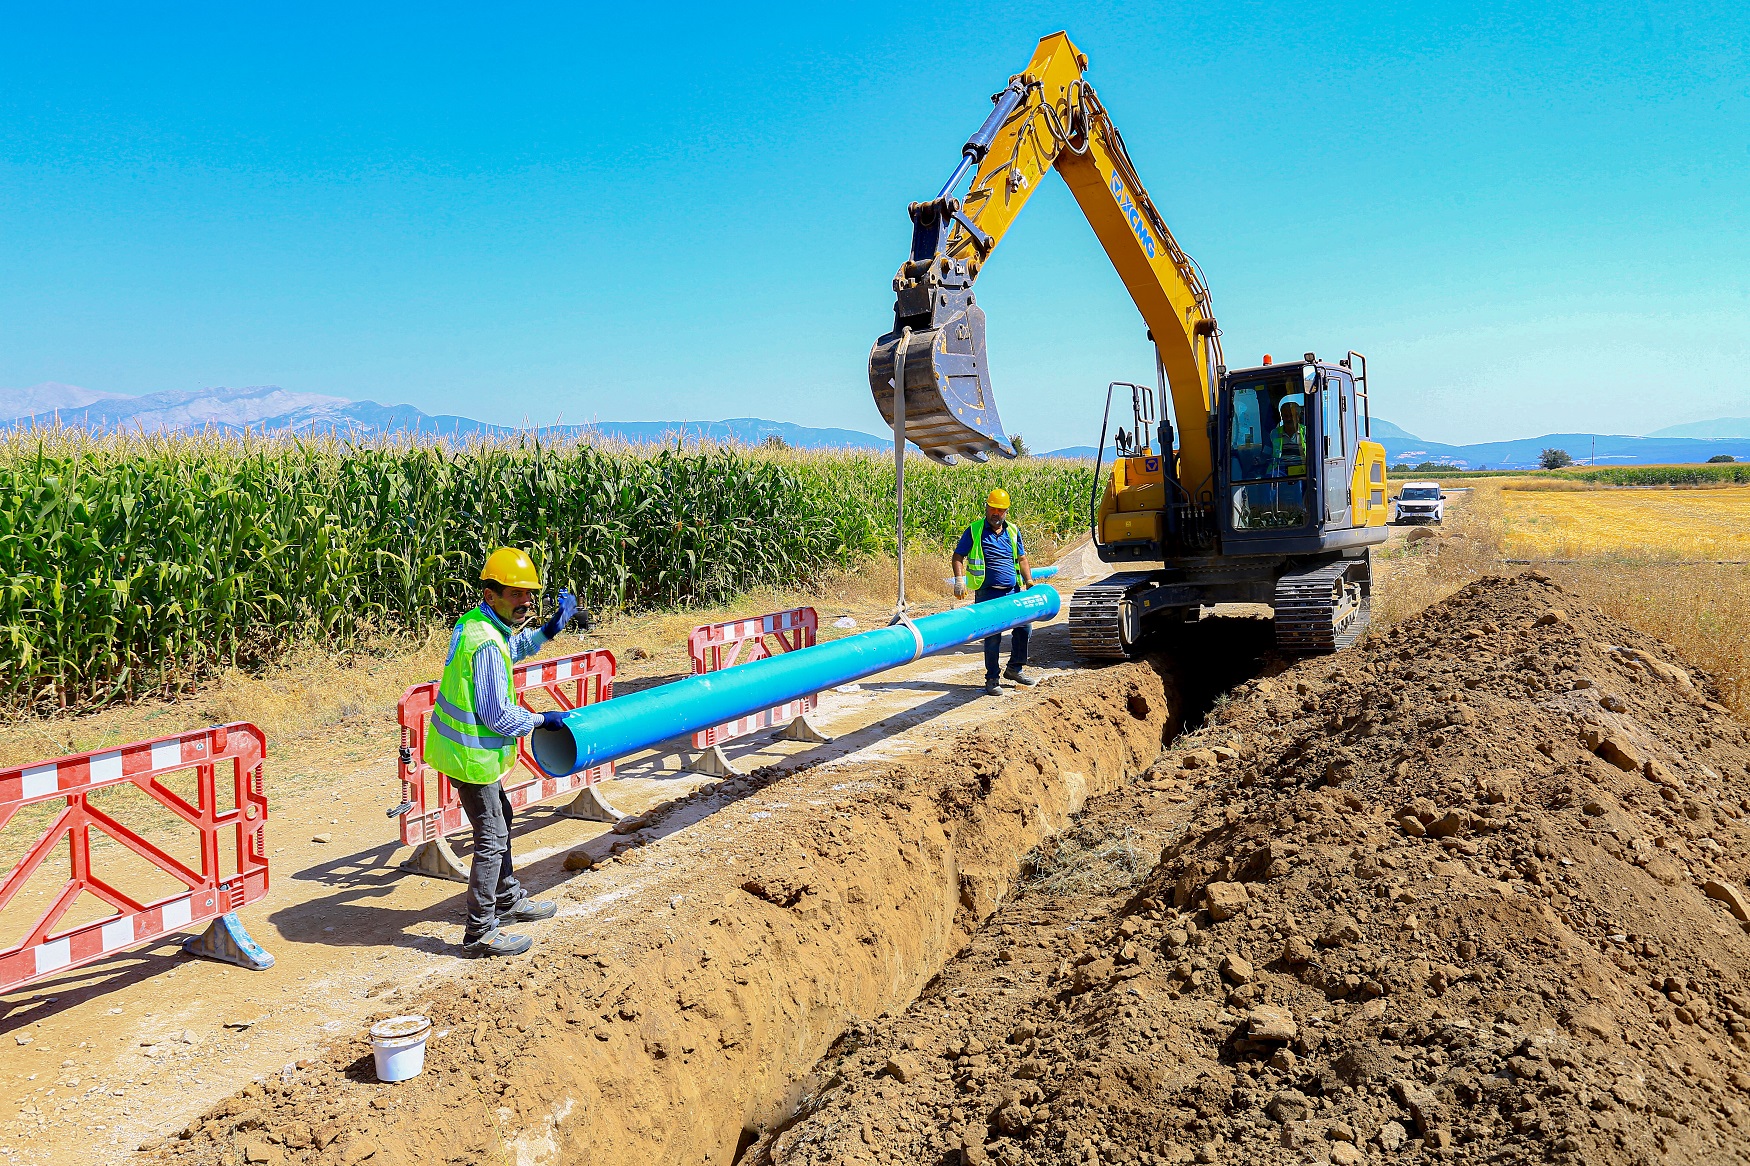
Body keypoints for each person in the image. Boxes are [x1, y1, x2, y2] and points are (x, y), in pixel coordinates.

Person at [425, 547, 585, 957]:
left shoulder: (476, 624)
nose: (526, 601)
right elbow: (497, 715)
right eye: (515, 593)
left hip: (463, 752)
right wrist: (542, 720)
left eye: (529, 593)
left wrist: (549, 629)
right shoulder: (486, 644)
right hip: (471, 757)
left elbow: (510, 650)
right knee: (492, 837)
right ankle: (480, 931)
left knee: (502, 818)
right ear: (490, 592)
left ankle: (508, 899)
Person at [951, 488, 1036, 696]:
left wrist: (1029, 581)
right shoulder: (975, 530)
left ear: (1006, 511)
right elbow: (957, 556)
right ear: (987, 507)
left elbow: (1022, 558)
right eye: (993, 509)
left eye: (1000, 510)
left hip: (1012, 591)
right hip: (987, 593)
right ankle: (992, 679)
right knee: (992, 636)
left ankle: (1014, 669)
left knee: (1024, 628)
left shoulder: (1013, 531)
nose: (996, 513)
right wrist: (959, 580)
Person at [1271, 400, 1307, 476]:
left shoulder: (1307, 432)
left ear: (1298, 416)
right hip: (1281, 469)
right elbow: (1267, 452)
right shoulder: (1274, 433)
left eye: (1291, 416)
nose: (1288, 419)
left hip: (1303, 468)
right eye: (1285, 416)